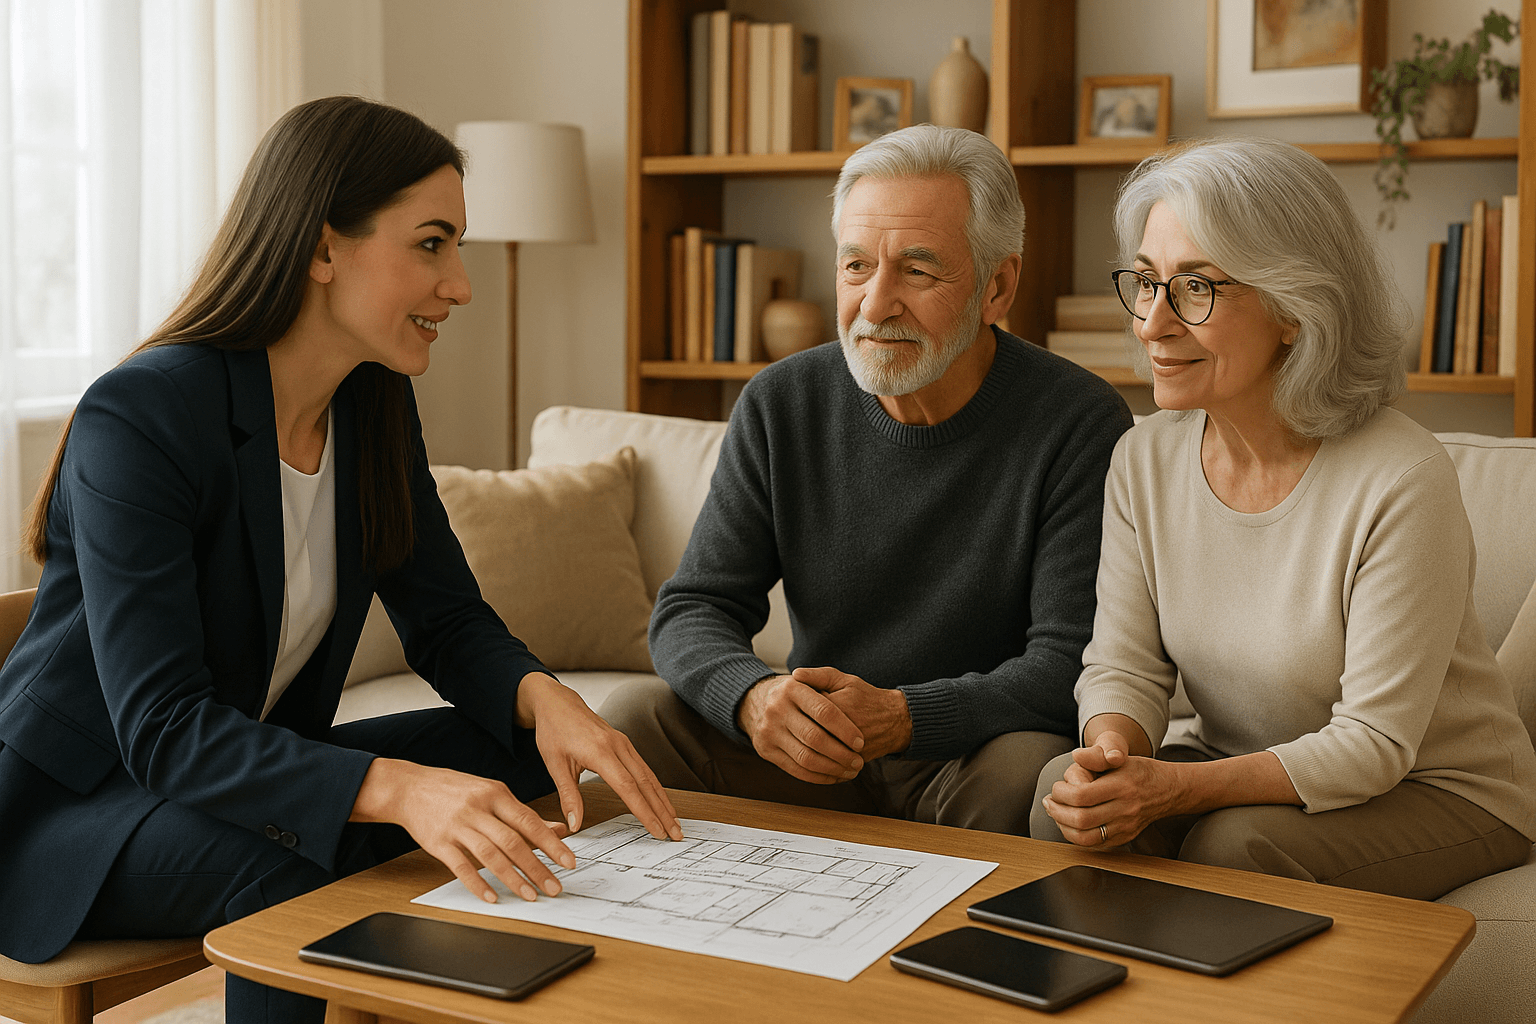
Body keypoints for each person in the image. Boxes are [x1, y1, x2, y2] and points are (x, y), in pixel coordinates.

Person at [0, 96, 679, 1024]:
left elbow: (444, 620)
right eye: (431, 244)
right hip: (80, 816)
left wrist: (547, 699)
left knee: (520, 756)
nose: (461, 285)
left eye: (459, 248)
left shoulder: (372, 406)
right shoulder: (142, 415)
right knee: (294, 859)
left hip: (236, 775)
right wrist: (401, 790)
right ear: (324, 249)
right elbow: (161, 727)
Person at [1033, 136, 1536, 899]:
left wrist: (1174, 790)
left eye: (1194, 288)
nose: (1152, 324)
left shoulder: (1402, 477)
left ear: (1295, 309)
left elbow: (1373, 745)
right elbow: (1124, 667)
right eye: (1145, 283)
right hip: (1246, 763)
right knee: (1060, 803)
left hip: (1440, 787)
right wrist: (1110, 758)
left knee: (1236, 846)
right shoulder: (1144, 458)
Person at [602, 125, 1133, 835]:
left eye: (917, 271)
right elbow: (692, 608)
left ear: (997, 286)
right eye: (856, 267)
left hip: (967, 761)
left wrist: (904, 717)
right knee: (634, 718)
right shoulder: (779, 402)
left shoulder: (1078, 421)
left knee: (1030, 768)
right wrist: (753, 697)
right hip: (815, 758)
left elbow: (1070, 662)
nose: (876, 304)